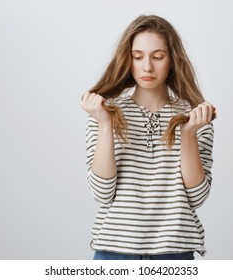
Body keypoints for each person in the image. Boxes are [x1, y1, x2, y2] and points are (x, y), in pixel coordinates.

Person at [81, 15, 216, 260]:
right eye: (138, 56)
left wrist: (187, 135)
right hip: (114, 253)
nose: (147, 67)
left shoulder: (195, 118)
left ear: (172, 60)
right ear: (128, 60)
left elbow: (196, 197)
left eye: (157, 56)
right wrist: (104, 124)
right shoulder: (105, 113)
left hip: (174, 254)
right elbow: (102, 193)